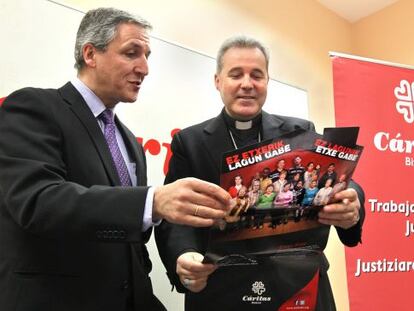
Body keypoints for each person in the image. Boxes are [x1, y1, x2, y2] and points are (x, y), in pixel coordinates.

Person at [0, 8, 231, 311]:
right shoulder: (34, 107)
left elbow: (128, 244)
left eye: (147, 55)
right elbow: (37, 201)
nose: (144, 68)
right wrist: (152, 202)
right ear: (90, 54)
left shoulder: (129, 142)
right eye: (131, 53)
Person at [155, 35, 365, 310]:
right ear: (218, 81)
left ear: (267, 81)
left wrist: (353, 203)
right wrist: (184, 254)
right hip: (221, 288)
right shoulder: (190, 142)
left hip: (297, 287)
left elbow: (337, 177)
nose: (247, 84)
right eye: (235, 74)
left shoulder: (299, 131)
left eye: (256, 75)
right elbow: (174, 217)